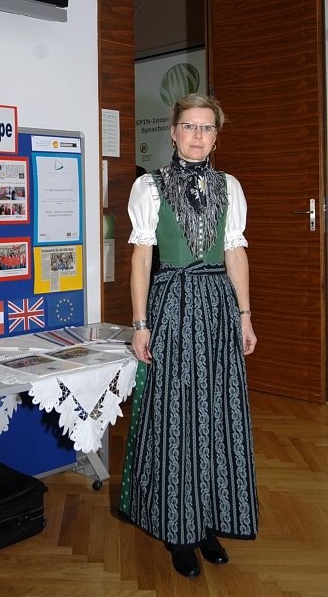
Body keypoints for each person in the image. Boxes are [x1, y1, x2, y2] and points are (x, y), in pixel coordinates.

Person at [119, 93, 258, 578]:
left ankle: (207, 520)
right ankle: (177, 528)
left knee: (217, 412)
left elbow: (235, 251)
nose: (198, 136)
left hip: (218, 307)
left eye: (207, 127)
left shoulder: (230, 186)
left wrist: (245, 315)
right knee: (175, 415)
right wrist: (140, 324)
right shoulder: (150, 187)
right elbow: (141, 258)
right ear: (173, 131)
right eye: (190, 126)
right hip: (172, 305)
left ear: (216, 136)